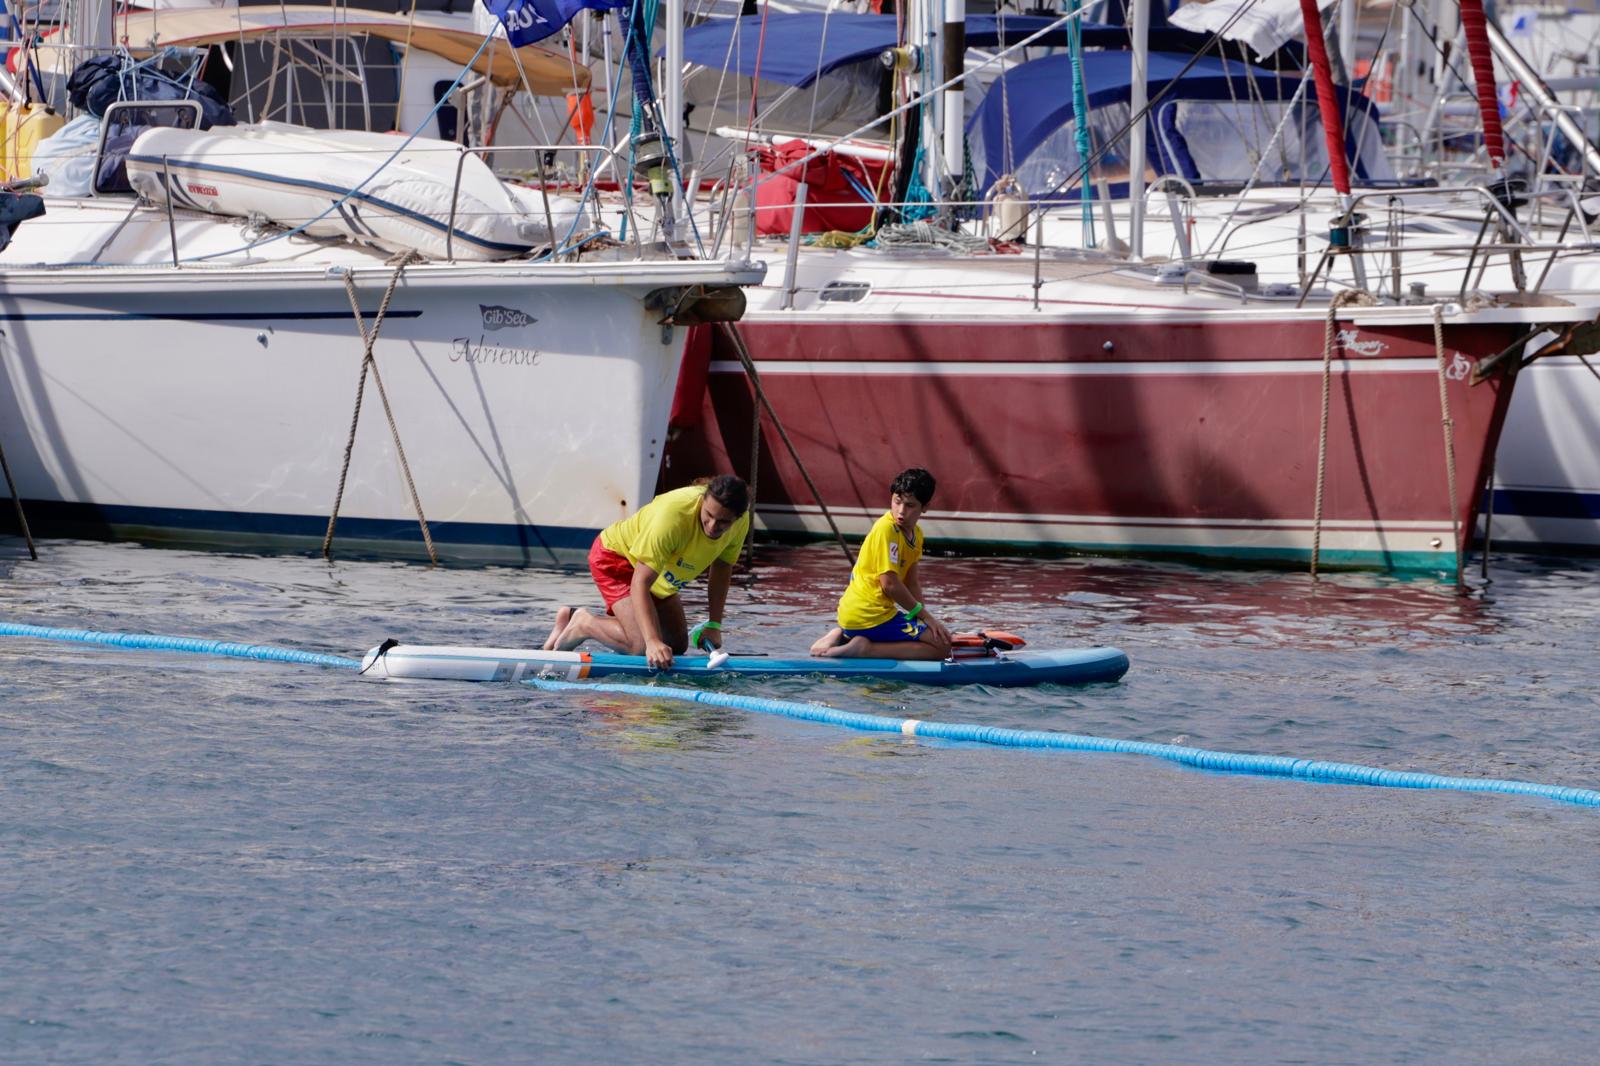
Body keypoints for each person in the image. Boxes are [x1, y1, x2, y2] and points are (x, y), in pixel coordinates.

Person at [544, 475, 750, 669]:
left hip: (657, 572)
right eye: (709, 515)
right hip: (617, 558)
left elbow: (722, 567)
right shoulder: (672, 516)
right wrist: (651, 641)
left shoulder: (741, 523)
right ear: (703, 500)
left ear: (738, 518)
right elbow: (640, 582)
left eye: (723, 522)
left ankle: (570, 616)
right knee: (641, 646)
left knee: (675, 645)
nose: (712, 526)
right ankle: (584, 623)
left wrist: (714, 625)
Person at [809, 467, 953, 660]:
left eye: (910, 505)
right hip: (868, 614)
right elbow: (889, 584)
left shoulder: (917, 535)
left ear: (925, 507)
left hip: (864, 616)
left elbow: (911, 583)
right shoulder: (886, 529)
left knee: (933, 634)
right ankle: (864, 649)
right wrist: (926, 617)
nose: (901, 511)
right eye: (897, 502)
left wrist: (923, 619)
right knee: (942, 646)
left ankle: (842, 637)